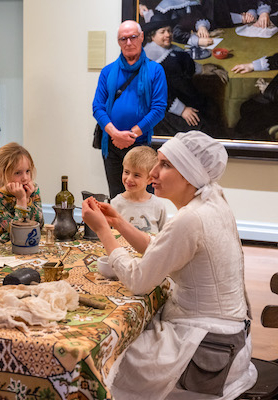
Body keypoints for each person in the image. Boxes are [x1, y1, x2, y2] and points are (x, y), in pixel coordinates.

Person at [82, 130, 256, 399]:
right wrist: (118, 222)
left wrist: (104, 231)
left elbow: (138, 281)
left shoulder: (191, 218)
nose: (152, 172)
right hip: (230, 342)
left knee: (104, 358)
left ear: (189, 173)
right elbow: (163, 249)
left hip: (207, 351)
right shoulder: (211, 203)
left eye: (165, 165)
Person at [92, 20, 167, 199]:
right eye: (123, 39)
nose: (128, 42)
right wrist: (115, 134)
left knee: (142, 198)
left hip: (140, 146)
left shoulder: (155, 70)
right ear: (118, 42)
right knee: (117, 198)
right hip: (111, 144)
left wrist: (130, 135)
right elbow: (97, 107)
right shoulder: (108, 71)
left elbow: (158, 109)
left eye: (133, 37)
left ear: (141, 37)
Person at [142, 20, 225, 138]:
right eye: (162, 32)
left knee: (212, 109)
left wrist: (203, 69)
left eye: (169, 31)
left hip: (184, 96)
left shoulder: (173, 49)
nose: (168, 34)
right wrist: (182, 110)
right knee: (201, 128)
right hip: (166, 108)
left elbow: (187, 65)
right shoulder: (148, 60)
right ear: (152, 36)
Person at [0, 142, 43, 246]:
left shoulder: (33, 189)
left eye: (27, 171)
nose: (25, 178)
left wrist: (28, 200)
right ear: (0, 175)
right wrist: (21, 201)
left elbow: (40, 225)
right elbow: (18, 234)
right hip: (5, 252)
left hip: (30, 246)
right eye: (18, 173)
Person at [110, 145, 167, 234]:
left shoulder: (158, 205)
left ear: (150, 179)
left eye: (136, 175)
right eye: (126, 172)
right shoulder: (115, 204)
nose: (129, 179)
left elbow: (164, 236)